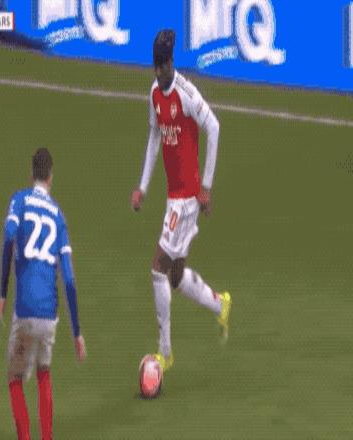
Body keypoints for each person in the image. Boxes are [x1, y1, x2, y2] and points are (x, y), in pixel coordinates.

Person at [130, 29, 232, 373]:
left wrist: (206, 187)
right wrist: (142, 187)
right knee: (174, 276)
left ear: (172, 62)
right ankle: (220, 305)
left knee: (157, 267)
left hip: (186, 198)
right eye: (155, 67)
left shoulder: (187, 93)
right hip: (172, 196)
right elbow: (154, 137)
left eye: (164, 66)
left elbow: (214, 127)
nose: (160, 72)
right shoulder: (154, 94)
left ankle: (165, 353)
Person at [0, 147, 86, 440]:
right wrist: (77, 332)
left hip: (25, 310)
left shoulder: (19, 200)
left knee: (15, 378)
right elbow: (69, 279)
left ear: (31, 173)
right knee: (44, 373)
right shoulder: (58, 216)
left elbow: (9, 237)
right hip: (49, 314)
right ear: (50, 177)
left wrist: (2, 291)